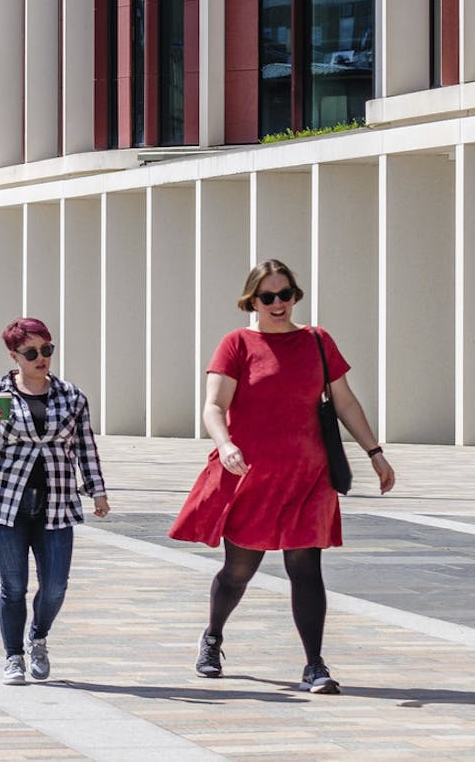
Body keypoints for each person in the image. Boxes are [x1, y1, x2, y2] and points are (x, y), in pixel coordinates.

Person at [169, 258, 395, 694]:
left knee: (306, 567)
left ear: (295, 296)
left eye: (285, 294)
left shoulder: (317, 341)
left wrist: (375, 452)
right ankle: (213, 636)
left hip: (309, 477)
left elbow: (345, 402)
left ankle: (315, 664)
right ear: (252, 300)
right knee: (239, 571)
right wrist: (225, 443)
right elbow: (214, 406)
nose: (278, 303)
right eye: (268, 296)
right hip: (251, 475)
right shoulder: (236, 344)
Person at [0, 317, 110, 686]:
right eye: (31, 353)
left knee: (56, 585)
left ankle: (38, 636)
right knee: (13, 586)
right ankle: (13, 656)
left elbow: (84, 446)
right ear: (14, 355)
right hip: (4, 503)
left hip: (56, 502)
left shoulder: (71, 396)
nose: (41, 358)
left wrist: (97, 490)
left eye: (47, 349)